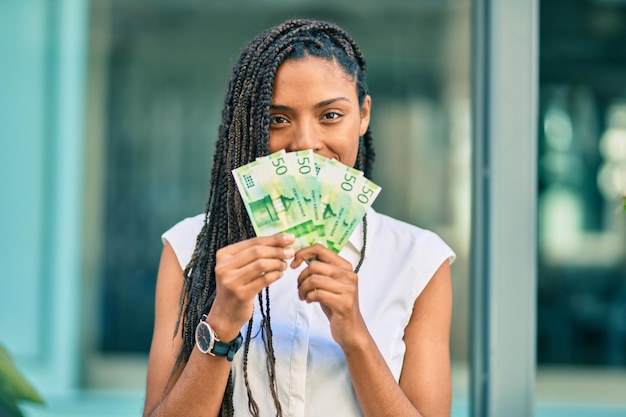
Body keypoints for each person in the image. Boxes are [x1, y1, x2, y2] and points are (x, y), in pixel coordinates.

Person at [142, 18, 455, 417]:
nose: (305, 143)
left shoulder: (418, 260)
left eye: (330, 116)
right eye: (277, 119)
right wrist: (221, 321)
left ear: (363, 115)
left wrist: (354, 334)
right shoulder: (190, 249)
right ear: (249, 127)